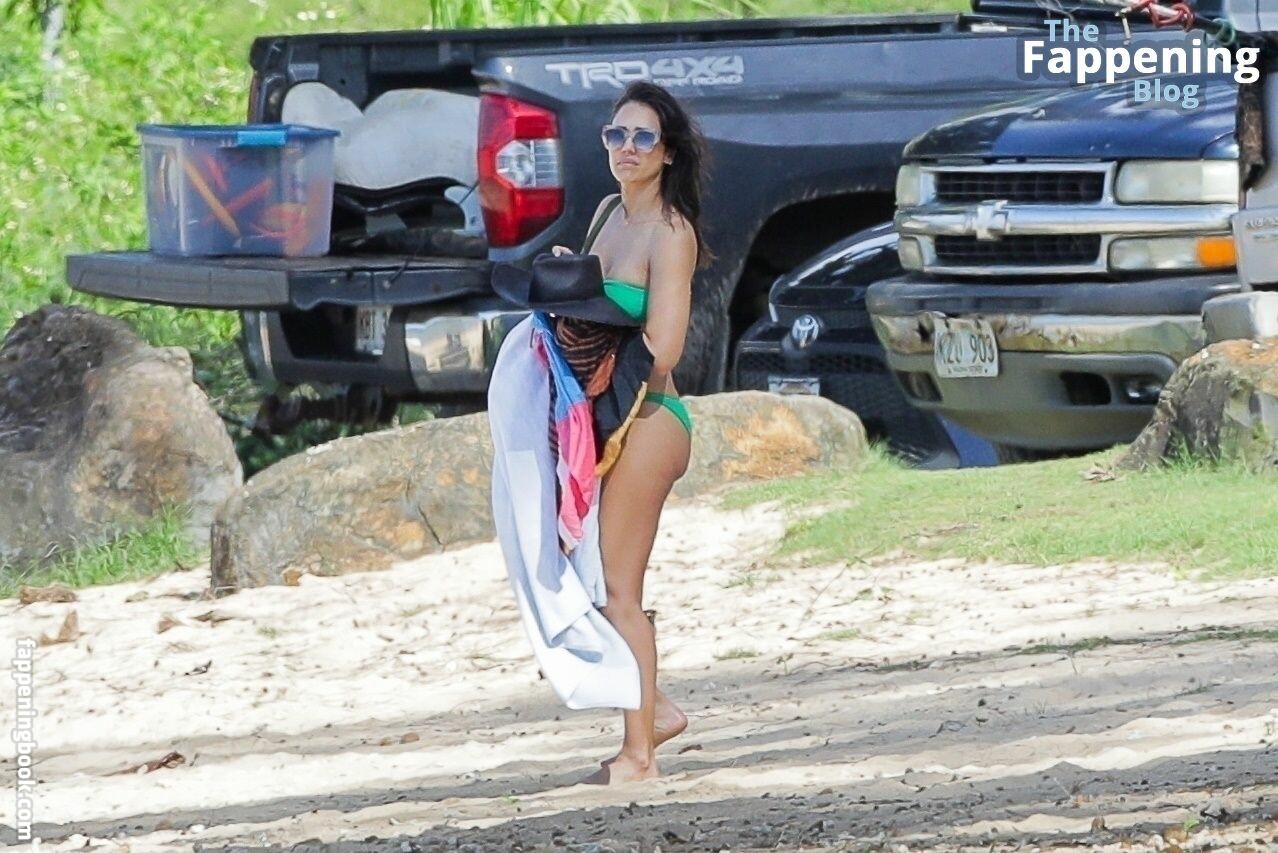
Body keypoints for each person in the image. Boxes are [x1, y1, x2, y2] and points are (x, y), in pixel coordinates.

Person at [548, 80, 711, 784]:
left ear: (667, 152)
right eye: (616, 135)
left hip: (650, 417)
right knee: (580, 580)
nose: (628, 148)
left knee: (618, 587)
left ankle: (638, 756)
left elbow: (664, 349)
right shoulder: (607, 213)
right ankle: (657, 710)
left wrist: (594, 322)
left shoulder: (670, 232)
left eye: (644, 137)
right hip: (605, 419)